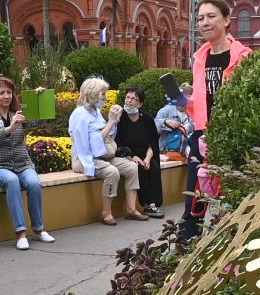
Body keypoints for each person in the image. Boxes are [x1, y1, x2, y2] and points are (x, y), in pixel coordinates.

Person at [177, 0, 253, 245]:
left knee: (230, 200)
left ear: (227, 20)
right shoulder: (200, 59)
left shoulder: (243, 57)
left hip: (231, 137)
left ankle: (232, 253)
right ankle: (184, 257)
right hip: (201, 136)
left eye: (211, 16)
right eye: (200, 18)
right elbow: (201, 102)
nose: (204, 22)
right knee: (193, 202)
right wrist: (182, 101)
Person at [0, 75, 54, 250]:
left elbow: (41, 120)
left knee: (34, 183)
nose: (6, 96)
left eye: (9, 92)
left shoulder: (19, 114)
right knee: (12, 181)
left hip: (22, 164)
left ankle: (39, 229)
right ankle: (21, 233)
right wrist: (10, 128)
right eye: (1, 93)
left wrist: (40, 99)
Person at [68, 76, 146, 225]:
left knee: (131, 167)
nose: (105, 97)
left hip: (103, 155)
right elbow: (90, 144)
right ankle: (106, 213)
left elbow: (108, 137)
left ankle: (130, 209)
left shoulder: (95, 112)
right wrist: (110, 121)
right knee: (112, 172)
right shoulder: (79, 114)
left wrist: (114, 121)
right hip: (85, 158)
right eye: (103, 94)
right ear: (92, 94)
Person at [114, 86, 165, 217]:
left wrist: (148, 158)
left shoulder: (147, 119)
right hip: (127, 155)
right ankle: (145, 204)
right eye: (128, 98)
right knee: (139, 168)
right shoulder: (120, 119)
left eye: (134, 99)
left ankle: (153, 204)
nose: (129, 101)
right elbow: (118, 143)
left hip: (146, 153)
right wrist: (132, 156)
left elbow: (152, 143)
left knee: (153, 167)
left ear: (140, 103)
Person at [156, 87, 192, 164]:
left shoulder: (191, 113)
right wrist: (165, 121)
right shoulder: (165, 111)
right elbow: (153, 127)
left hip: (185, 154)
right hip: (167, 153)